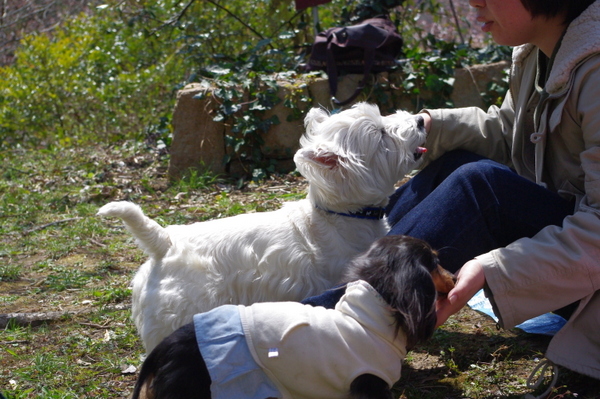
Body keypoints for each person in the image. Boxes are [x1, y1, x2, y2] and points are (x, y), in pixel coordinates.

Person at [383, 0, 600, 388]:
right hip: (577, 253)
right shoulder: (540, 49)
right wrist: (428, 127)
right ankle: (330, 278)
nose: (473, 2)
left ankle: (332, 320)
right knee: (460, 164)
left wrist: (493, 268)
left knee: (481, 186)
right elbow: (513, 135)